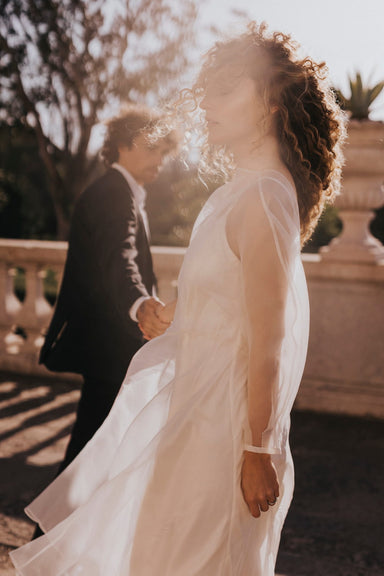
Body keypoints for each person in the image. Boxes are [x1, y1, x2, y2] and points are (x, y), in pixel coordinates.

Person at [11, 22, 345, 575]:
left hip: (227, 427)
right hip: (194, 411)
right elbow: (230, 308)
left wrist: (258, 450)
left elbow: (270, 337)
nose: (208, 103)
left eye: (227, 89)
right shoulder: (242, 190)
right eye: (208, 89)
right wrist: (179, 319)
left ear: (269, 102)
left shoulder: (264, 196)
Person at [39, 104, 177, 472]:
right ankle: (51, 531)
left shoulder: (120, 192)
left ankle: (60, 529)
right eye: (152, 148)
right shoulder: (114, 194)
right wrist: (139, 303)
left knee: (96, 457)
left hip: (112, 346)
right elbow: (120, 257)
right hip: (110, 348)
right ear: (122, 145)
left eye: (163, 152)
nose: (159, 160)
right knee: (87, 460)